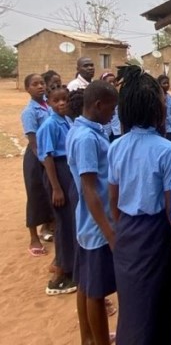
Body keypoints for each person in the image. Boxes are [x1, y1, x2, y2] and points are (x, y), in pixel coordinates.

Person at [108, 65, 171, 344]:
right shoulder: (167, 150)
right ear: (156, 109)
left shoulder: (116, 147)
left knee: (132, 303)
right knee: (157, 303)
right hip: (156, 234)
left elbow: (113, 200)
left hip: (127, 231)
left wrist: (123, 229)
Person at [66, 80, 119, 345]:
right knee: (95, 291)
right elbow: (89, 188)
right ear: (98, 105)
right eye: (111, 108)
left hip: (89, 223)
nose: (113, 113)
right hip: (96, 226)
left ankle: (88, 337)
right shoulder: (86, 138)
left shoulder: (81, 129)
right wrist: (109, 233)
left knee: (86, 284)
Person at [36, 85, 78, 295]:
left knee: (71, 222)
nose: (62, 103)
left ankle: (70, 267)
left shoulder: (66, 120)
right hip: (57, 173)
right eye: (56, 100)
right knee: (63, 223)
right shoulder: (49, 125)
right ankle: (60, 274)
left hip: (67, 171)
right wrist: (56, 188)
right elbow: (47, 157)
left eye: (65, 99)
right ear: (49, 102)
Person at [21, 73, 54, 256]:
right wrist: (44, 162)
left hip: (49, 155)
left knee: (49, 193)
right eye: (35, 84)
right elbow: (33, 142)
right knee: (35, 195)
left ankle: (46, 227)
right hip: (36, 158)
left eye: (42, 83)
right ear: (28, 89)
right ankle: (33, 238)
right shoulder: (29, 112)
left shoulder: (49, 105)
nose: (40, 86)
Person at [99, 72, 121, 142]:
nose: (112, 84)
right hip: (105, 131)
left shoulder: (119, 97)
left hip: (118, 131)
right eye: (109, 82)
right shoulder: (99, 99)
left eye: (113, 82)